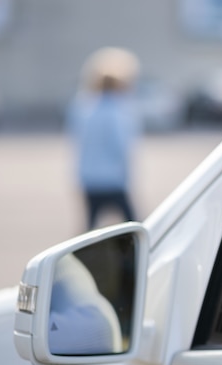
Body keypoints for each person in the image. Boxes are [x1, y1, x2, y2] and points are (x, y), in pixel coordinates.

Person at [67, 47, 142, 230]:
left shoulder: (83, 106)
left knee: (89, 228)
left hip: (89, 177)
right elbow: (121, 146)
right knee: (133, 227)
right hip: (113, 178)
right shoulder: (118, 110)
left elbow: (77, 140)